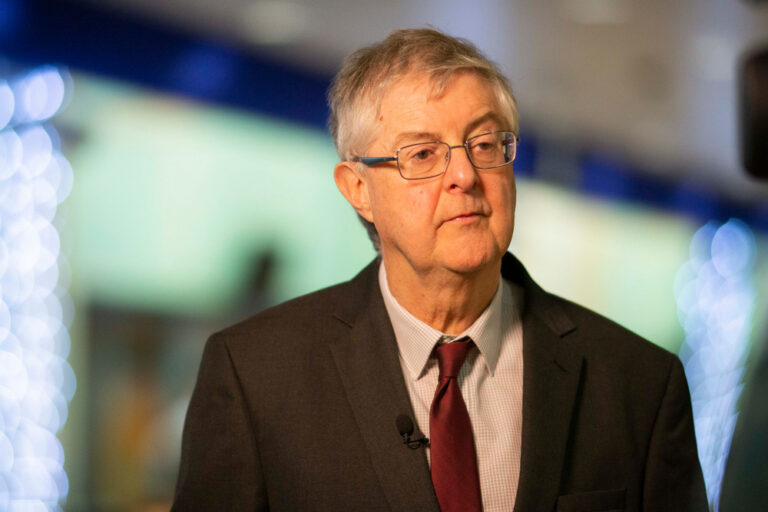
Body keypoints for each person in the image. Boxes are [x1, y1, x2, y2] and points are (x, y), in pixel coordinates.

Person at [172, 28, 708, 511]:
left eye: (484, 144)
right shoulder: (254, 376)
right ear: (358, 189)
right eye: (423, 154)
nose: (465, 175)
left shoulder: (638, 384)